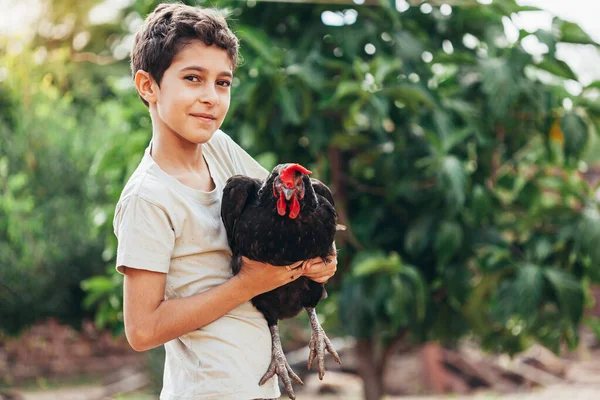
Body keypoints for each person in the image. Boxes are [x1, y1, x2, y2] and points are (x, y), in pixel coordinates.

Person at [112, 2, 338, 400]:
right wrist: (247, 284)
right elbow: (142, 330)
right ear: (148, 86)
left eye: (223, 83)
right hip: (208, 390)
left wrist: (322, 254)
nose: (211, 97)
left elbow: (283, 209)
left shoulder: (220, 149)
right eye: (193, 78)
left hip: (257, 385)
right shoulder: (147, 198)